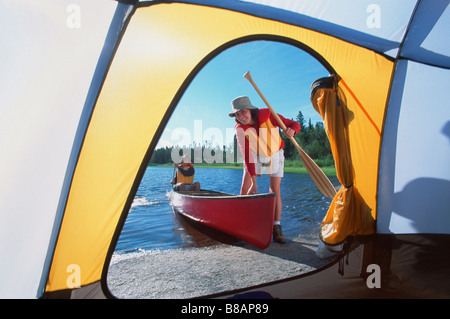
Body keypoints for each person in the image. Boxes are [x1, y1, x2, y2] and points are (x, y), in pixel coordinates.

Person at [229, 96, 300, 244]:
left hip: (275, 152)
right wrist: (254, 181)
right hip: (254, 153)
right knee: (245, 187)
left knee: (274, 190)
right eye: (237, 114)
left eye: (243, 111)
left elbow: (293, 124)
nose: (241, 117)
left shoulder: (267, 115)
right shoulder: (240, 129)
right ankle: (240, 224)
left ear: (251, 110)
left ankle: (276, 228)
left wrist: (292, 131)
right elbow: (247, 154)